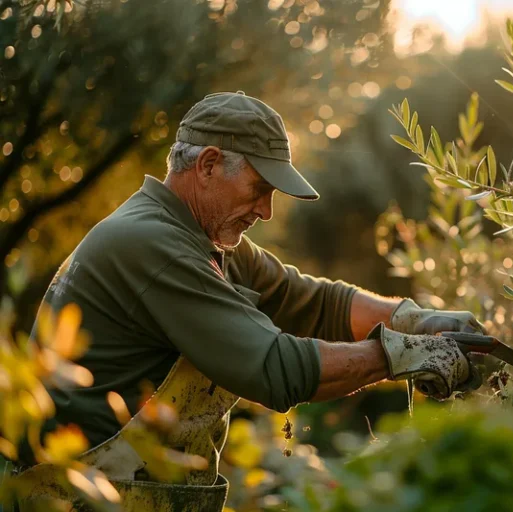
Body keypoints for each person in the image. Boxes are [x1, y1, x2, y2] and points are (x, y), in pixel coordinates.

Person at [15, 91, 484, 511]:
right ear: (208, 165)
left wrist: (415, 320)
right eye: (260, 189)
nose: (266, 210)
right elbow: (276, 369)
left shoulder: (201, 238)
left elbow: (315, 303)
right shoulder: (151, 244)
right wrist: (405, 355)